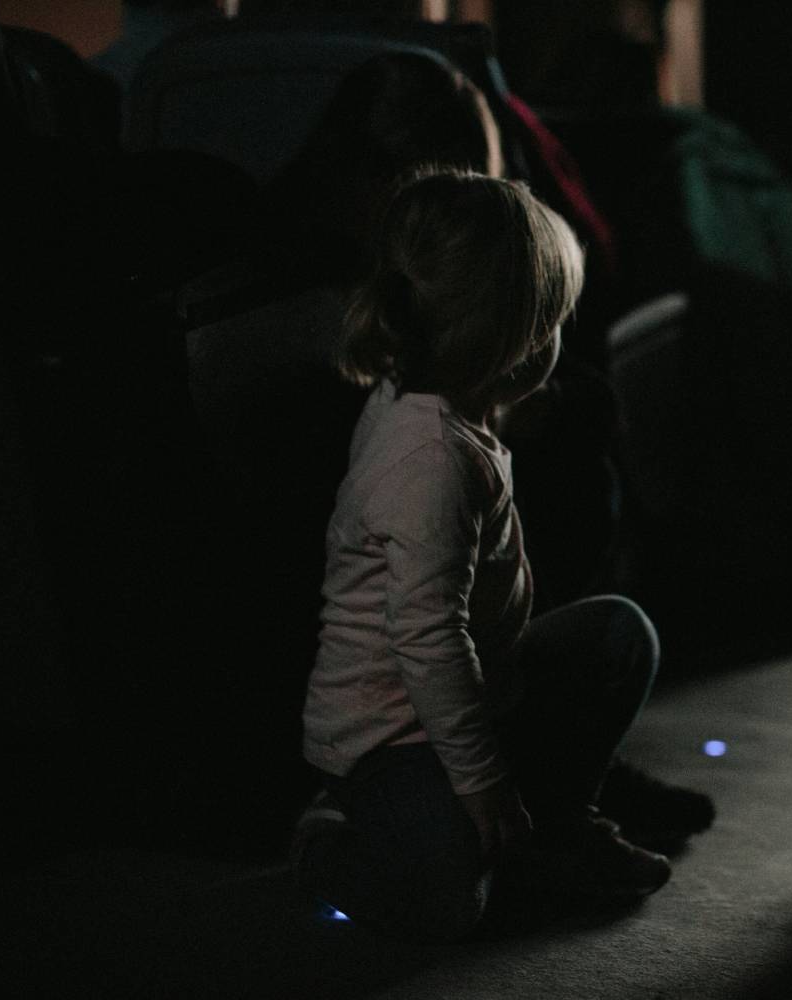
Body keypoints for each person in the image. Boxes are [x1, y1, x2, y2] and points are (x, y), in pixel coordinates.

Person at [292, 169, 672, 943]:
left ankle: (557, 822)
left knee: (616, 635)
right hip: (389, 738)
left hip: (477, 690)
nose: (556, 345)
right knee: (450, 902)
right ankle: (333, 840)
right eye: (546, 327)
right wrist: (483, 783)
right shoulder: (430, 459)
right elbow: (429, 642)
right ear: (505, 342)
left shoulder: (443, 399)